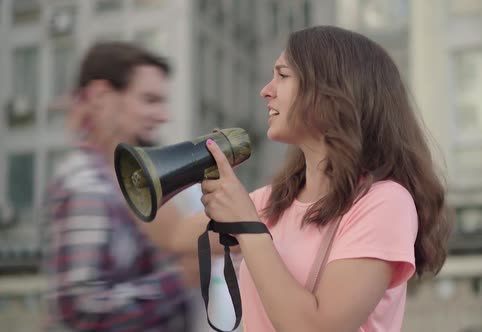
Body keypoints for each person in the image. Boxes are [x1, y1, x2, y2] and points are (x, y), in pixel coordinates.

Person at [144, 25, 452, 332]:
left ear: (330, 90)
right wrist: (120, 157)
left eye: (283, 75)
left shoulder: (385, 204)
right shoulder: (272, 202)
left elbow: (316, 328)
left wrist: (247, 226)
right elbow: (173, 237)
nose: (266, 90)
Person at [42, 41, 199, 331]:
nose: (164, 115)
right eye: (150, 100)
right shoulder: (85, 184)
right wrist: (179, 280)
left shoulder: (122, 179)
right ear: (101, 96)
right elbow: (79, 307)